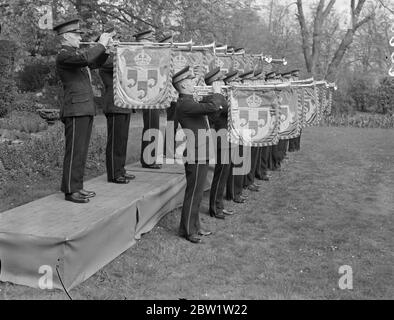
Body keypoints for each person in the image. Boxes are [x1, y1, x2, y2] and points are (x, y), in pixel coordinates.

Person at [54, 18, 112, 203]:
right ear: (66, 37)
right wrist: (100, 44)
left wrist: (105, 49)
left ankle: (77, 186)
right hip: (75, 109)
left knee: (81, 151)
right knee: (75, 152)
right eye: (77, 35)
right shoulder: (64, 55)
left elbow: (94, 63)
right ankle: (71, 190)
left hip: (83, 108)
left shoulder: (75, 54)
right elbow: (87, 58)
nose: (80, 38)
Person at [173, 66, 223, 244]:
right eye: (191, 81)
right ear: (183, 85)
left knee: (198, 193)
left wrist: (214, 98)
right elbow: (212, 106)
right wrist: (216, 92)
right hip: (195, 154)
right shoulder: (185, 104)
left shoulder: (191, 102)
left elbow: (212, 111)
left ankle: (195, 226)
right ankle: (186, 230)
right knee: (193, 194)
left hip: (201, 152)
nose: (194, 83)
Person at [98, 29, 136, 184]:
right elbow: (121, 62)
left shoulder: (117, 57)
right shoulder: (104, 59)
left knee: (122, 140)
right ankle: (114, 173)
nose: (117, 42)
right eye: (113, 41)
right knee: (115, 141)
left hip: (123, 103)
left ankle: (120, 169)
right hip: (114, 103)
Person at [204, 68, 234, 220]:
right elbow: (212, 119)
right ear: (214, 83)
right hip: (219, 137)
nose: (223, 82)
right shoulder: (212, 98)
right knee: (220, 173)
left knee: (224, 172)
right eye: (220, 80)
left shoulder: (221, 97)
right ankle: (215, 207)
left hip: (227, 137)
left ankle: (219, 204)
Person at [133, 29, 162, 169]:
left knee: (154, 126)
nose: (152, 43)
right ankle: (148, 160)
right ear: (142, 41)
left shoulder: (150, 55)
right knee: (150, 126)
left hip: (153, 94)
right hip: (146, 94)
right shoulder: (139, 55)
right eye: (150, 40)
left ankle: (150, 158)